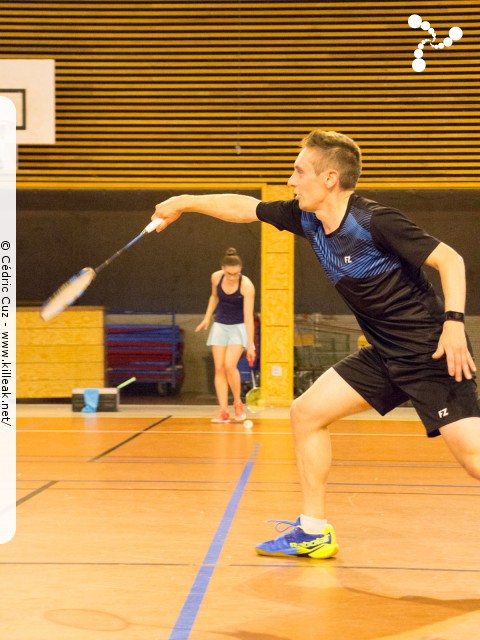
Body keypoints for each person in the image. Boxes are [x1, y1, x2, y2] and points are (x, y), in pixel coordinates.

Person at [151, 129, 480, 559]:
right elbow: (244, 207)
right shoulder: (306, 218)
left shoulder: (375, 221)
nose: (291, 180)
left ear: (328, 179)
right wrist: (184, 202)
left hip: (430, 354)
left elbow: (449, 259)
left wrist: (454, 322)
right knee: (305, 413)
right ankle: (313, 530)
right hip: (383, 356)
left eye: (298, 171)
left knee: (475, 461)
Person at [195, 248, 256, 423]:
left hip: (239, 327)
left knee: (230, 366)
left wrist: (250, 344)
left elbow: (248, 316)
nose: (232, 277)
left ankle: (237, 402)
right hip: (220, 326)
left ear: (240, 270)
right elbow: (214, 297)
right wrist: (207, 317)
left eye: (236, 274)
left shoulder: (246, 286)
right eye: (229, 274)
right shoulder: (216, 278)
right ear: (223, 269)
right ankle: (223, 410)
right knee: (219, 368)